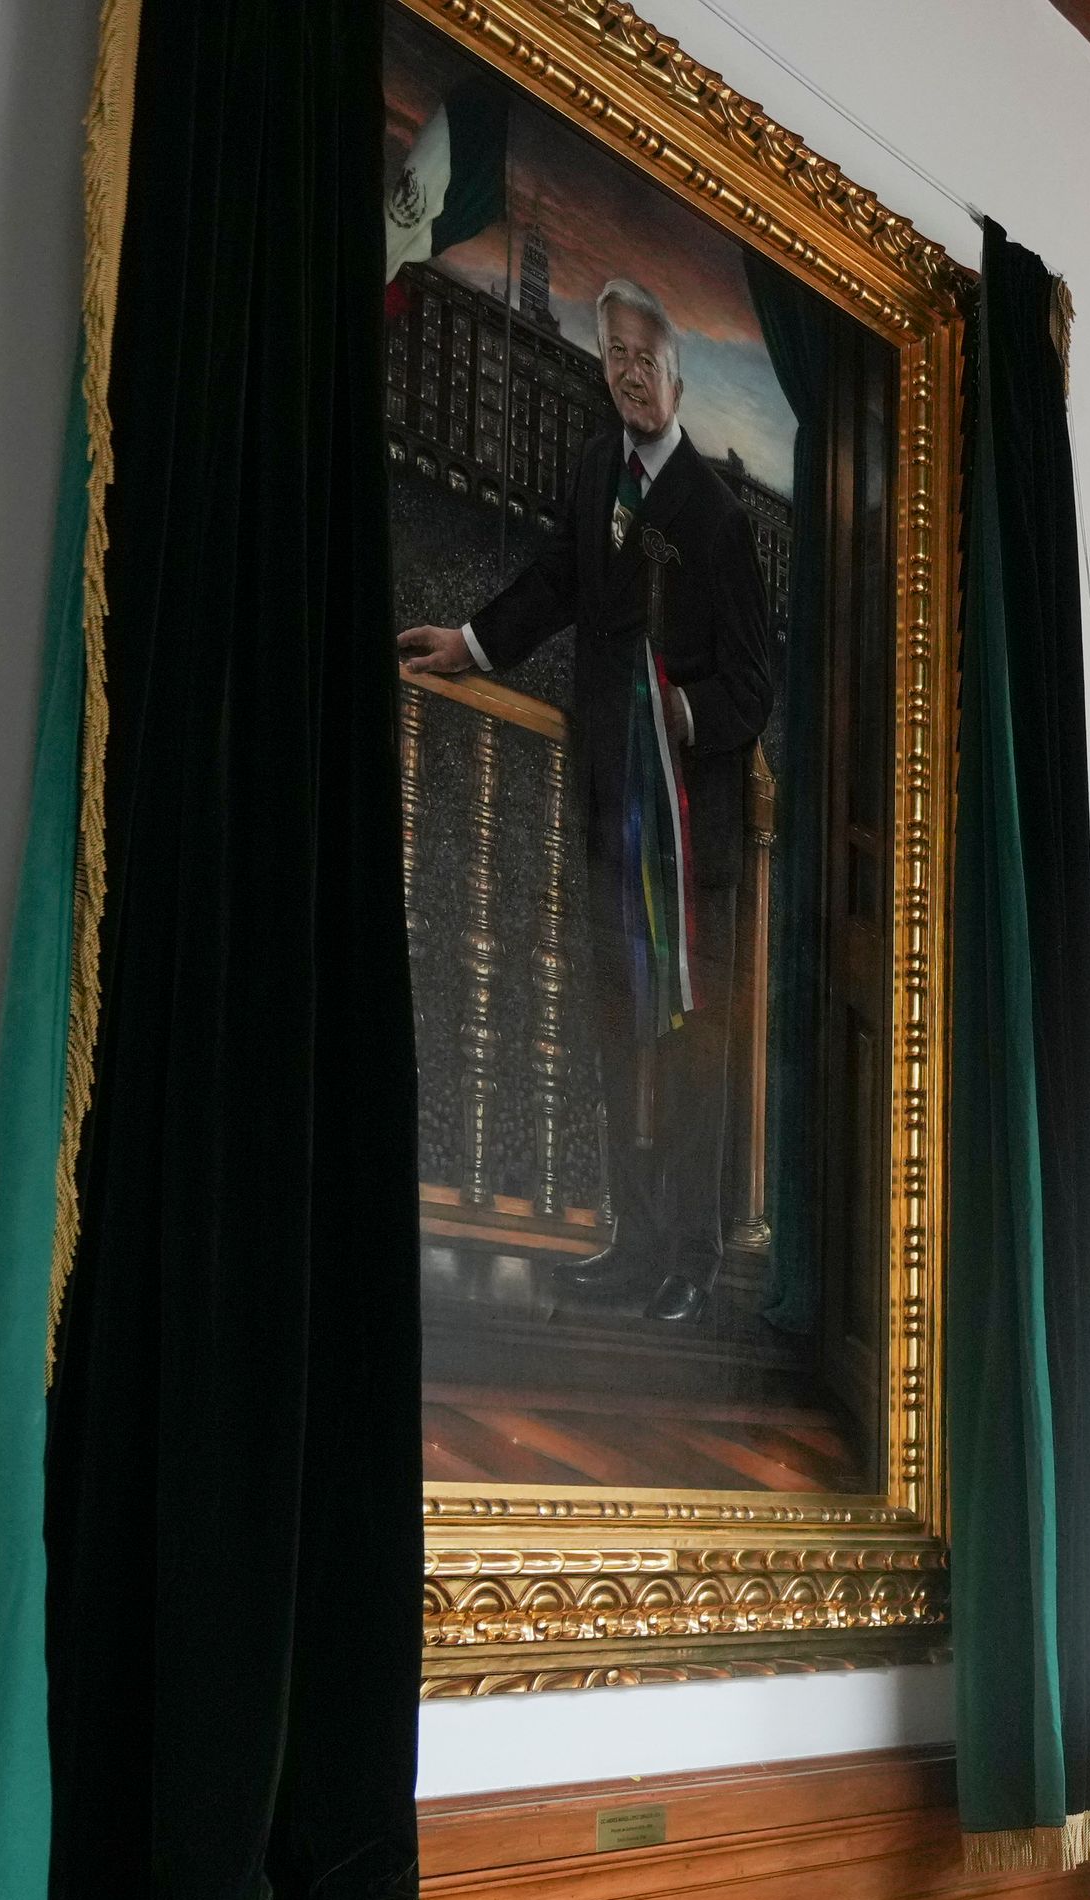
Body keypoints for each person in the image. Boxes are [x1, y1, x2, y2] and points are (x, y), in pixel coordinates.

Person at [397, 276, 777, 1325]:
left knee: (687, 1049)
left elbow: (752, 688)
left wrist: (676, 721)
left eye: (644, 357)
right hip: (612, 820)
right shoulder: (595, 472)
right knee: (620, 1031)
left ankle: (688, 1261)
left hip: (688, 844)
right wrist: (470, 645)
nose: (627, 372)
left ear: (677, 373)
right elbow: (561, 582)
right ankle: (633, 1241)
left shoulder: (719, 518)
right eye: (612, 353)